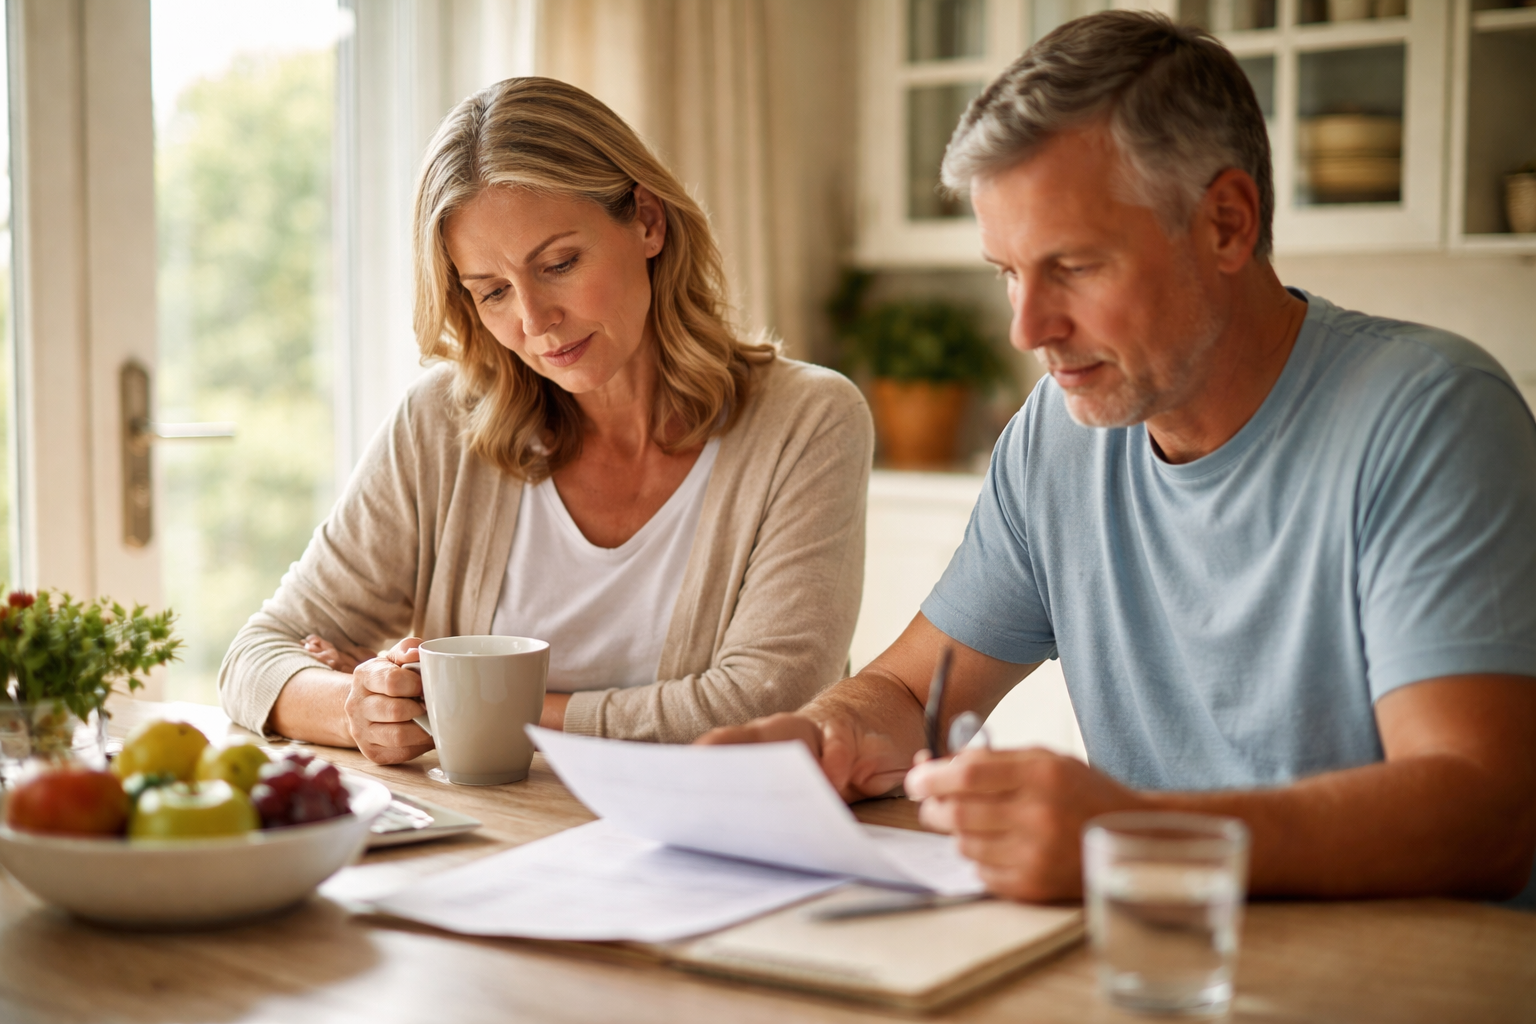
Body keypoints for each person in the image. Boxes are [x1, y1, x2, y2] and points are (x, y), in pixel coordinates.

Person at [703, 13, 1536, 907]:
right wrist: (830, 732)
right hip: (1155, 955)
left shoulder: (1430, 415)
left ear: (1225, 221)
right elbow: (915, 691)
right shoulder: (1059, 434)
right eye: (1009, 272)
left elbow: (1484, 811)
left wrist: (1130, 835)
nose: (1029, 330)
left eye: (1075, 266)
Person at [219, 77, 873, 763]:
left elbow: (764, 707)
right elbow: (254, 659)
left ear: (648, 221)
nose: (534, 322)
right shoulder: (441, 424)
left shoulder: (808, 422)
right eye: (493, 292)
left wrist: (468, 700)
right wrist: (363, 707)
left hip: (725, 855)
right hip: (496, 846)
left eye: (559, 264)